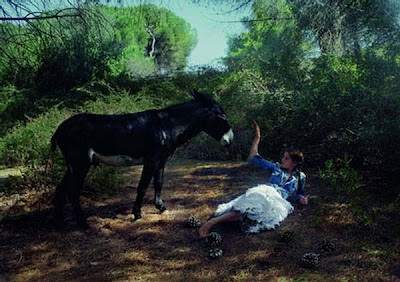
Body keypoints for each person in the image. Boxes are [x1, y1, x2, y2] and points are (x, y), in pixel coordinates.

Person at [198, 120, 308, 238]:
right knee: (250, 205)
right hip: (267, 192)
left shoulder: (300, 177)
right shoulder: (276, 168)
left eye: (286, 158)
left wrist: (301, 199)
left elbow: (299, 193)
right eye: (283, 157)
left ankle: (220, 221)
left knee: (255, 215)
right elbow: (253, 157)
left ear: (294, 163)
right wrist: (257, 138)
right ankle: (210, 223)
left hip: (279, 200)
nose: (282, 159)